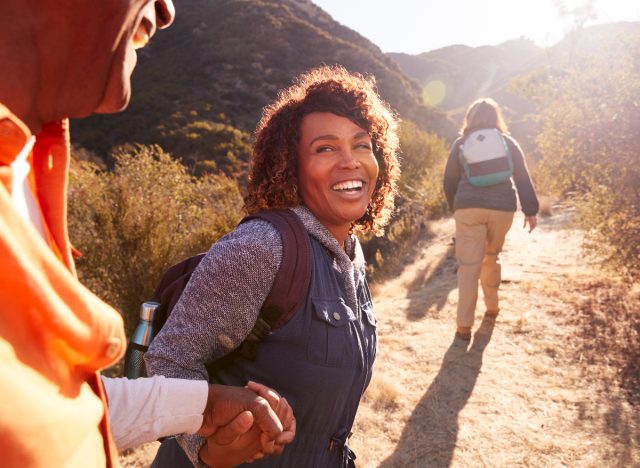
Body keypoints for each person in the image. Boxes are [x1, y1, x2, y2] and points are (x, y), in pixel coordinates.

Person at [0, 0, 295, 466]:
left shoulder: (26, 166)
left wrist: (200, 406)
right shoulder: (258, 245)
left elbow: (48, 405)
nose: (167, 10)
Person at [145, 65, 401, 467]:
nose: (350, 162)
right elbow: (169, 359)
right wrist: (208, 450)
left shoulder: (351, 254)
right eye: (326, 148)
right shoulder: (262, 248)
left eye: (362, 145)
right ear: (291, 167)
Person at [443, 97, 539, 342]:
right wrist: (531, 209)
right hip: (502, 207)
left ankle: (464, 327)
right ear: (496, 117)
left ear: (470, 118)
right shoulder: (507, 142)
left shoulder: (461, 143)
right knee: (491, 257)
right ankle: (492, 307)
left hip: (468, 208)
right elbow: (522, 177)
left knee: (468, 267)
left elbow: (449, 180)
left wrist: (456, 207)